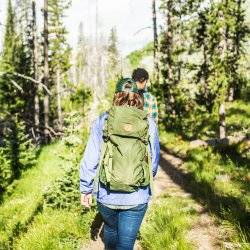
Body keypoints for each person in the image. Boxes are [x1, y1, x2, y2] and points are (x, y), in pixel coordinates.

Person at [79, 78, 160, 250]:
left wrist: (85, 189)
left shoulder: (103, 120)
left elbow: (90, 158)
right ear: (139, 97)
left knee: (110, 232)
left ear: (116, 96)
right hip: (137, 196)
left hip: (107, 195)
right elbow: (153, 161)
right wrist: (143, 179)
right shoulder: (148, 122)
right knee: (125, 245)